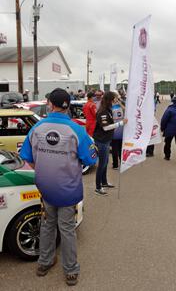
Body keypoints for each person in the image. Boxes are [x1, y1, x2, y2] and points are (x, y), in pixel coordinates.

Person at [20, 88, 97, 286]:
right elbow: (91, 157)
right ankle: (70, 271)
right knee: (67, 229)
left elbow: (26, 156)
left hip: (45, 187)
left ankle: (44, 263)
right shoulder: (76, 130)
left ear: (50, 104)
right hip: (68, 189)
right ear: (67, 105)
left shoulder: (37, 127)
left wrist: (44, 169)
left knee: (47, 224)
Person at [93, 91, 127, 195]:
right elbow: (105, 127)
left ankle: (104, 182)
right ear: (109, 100)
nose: (115, 101)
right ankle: (98, 188)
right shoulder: (103, 112)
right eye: (114, 99)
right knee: (102, 164)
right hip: (102, 141)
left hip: (106, 140)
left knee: (105, 162)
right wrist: (121, 123)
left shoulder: (108, 109)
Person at [111, 91, 125, 169]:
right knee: (116, 149)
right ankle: (116, 164)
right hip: (116, 129)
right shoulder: (110, 107)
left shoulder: (119, 105)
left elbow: (125, 110)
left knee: (118, 148)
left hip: (119, 129)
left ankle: (119, 163)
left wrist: (119, 102)